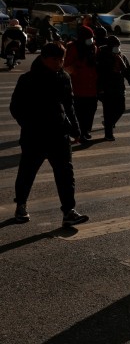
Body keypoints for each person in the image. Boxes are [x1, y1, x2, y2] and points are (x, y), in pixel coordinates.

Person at [9, 42, 89, 226]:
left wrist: (76, 130)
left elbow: (69, 106)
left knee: (66, 174)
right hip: (34, 136)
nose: (59, 63)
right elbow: (15, 107)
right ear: (44, 59)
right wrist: (29, 124)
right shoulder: (27, 79)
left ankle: (69, 211)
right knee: (27, 172)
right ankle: (21, 205)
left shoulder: (64, 78)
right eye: (55, 59)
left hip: (59, 135)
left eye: (62, 59)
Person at [96, 36, 130, 141]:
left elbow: (128, 72)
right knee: (108, 112)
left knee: (121, 108)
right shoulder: (102, 56)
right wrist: (100, 89)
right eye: (115, 46)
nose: (117, 48)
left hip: (119, 88)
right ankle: (108, 134)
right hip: (106, 88)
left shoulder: (122, 57)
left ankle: (109, 123)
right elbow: (99, 73)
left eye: (118, 46)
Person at [64, 25, 99, 141]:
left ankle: (86, 130)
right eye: (88, 37)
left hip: (92, 87)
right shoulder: (73, 48)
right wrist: (78, 70)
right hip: (78, 87)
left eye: (92, 37)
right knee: (79, 113)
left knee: (91, 111)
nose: (91, 40)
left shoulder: (93, 48)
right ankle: (80, 132)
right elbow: (67, 67)